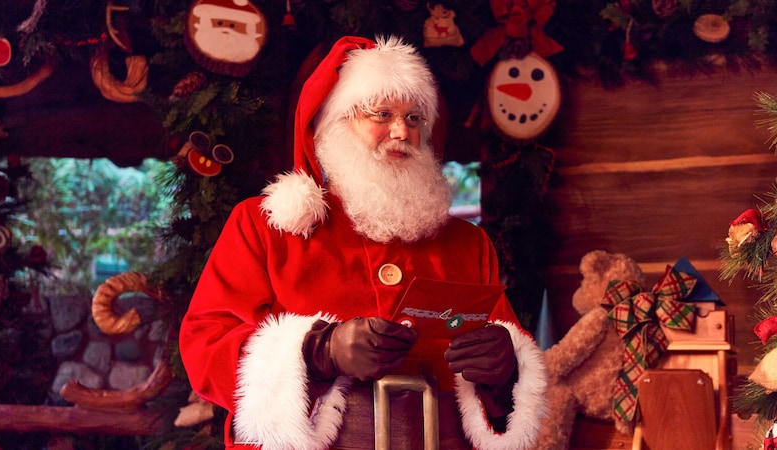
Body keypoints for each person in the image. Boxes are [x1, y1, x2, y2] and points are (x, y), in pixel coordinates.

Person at [179, 35, 547, 449]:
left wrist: (508, 372)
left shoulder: (468, 243)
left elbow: (508, 387)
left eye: (414, 118)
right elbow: (204, 346)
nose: (401, 131)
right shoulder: (264, 226)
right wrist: (318, 351)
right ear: (334, 125)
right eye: (382, 113)